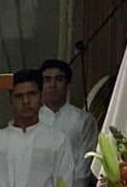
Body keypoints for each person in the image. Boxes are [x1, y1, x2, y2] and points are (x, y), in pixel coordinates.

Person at [0, 70, 75, 187]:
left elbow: (64, 183)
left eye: (32, 94)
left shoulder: (58, 141)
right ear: (11, 99)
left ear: (41, 97)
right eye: (19, 96)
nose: (26, 101)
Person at [38, 59, 98, 187]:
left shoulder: (84, 120)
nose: (52, 85)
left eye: (59, 79)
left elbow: (85, 165)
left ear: (67, 84)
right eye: (47, 80)